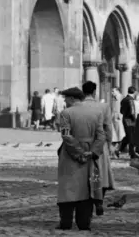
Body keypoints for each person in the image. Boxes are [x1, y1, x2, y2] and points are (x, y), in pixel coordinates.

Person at [56, 87, 105, 231]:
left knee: (67, 188)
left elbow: (66, 135)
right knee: (87, 189)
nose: (64, 101)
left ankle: (66, 222)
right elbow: (101, 136)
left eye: (66, 98)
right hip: (90, 154)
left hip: (70, 155)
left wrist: (78, 153)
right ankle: (84, 222)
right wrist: (92, 152)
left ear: (71, 99)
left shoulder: (66, 113)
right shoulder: (97, 112)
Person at [81, 81, 113, 216]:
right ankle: (99, 202)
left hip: (82, 144)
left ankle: (87, 201)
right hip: (100, 145)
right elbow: (108, 127)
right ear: (94, 92)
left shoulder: (77, 107)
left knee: (84, 175)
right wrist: (110, 143)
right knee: (101, 174)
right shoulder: (104, 106)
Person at [118, 87, 138, 158]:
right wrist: (135, 120)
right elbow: (132, 112)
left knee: (128, 136)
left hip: (125, 118)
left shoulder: (123, 99)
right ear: (134, 92)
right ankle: (132, 153)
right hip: (130, 119)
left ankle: (119, 150)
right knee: (131, 136)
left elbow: (121, 111)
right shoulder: (131, 100)